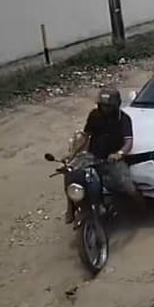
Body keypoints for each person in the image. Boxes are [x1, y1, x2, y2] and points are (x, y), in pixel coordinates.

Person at [64, 88, 142, 223]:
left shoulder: (124, 119)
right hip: (93, 156)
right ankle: (70, 208)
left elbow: (128, 142)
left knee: (128, 187)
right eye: (102, 105)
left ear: (115, 105)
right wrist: (72, 155)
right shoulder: (94, 116)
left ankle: (141, 208)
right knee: (70, 173)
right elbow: (86, 136)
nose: (105, 108)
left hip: (112, 159)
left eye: (108, 106)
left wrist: (119, 154)